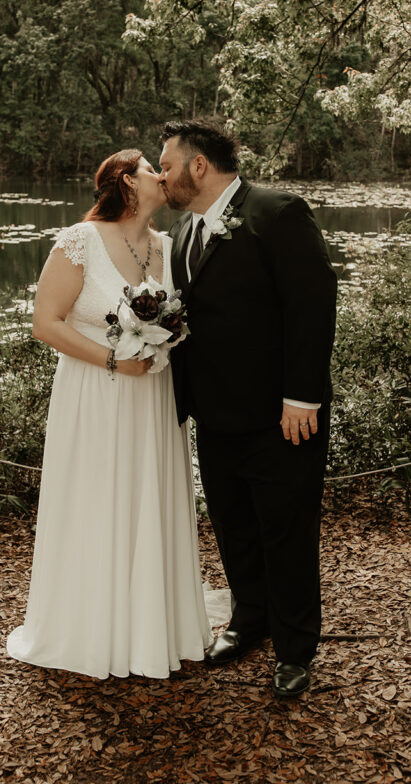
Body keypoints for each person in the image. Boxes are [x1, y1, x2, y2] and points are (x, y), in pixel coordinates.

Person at [7, 149, 212, 680]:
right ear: (126, 181)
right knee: (98, 499)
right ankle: (93, 627)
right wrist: (113, 359)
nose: (162, 176)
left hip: (154, 397)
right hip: (95, 393)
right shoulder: (79, 241)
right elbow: (45, 324)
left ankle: (152, 627)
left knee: (150, 499)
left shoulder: (170, 246)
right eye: (152, 169)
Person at [159, 122, 337, 699]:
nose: (162, 175)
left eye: (167, 164)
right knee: (234, 526)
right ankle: (248, 621)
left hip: (282, 416)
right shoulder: (186, 230)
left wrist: (301, 396)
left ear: (199, 166)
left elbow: (312, 304)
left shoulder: (277, 212)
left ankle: (294, 649)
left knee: (285, 531)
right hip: (215, 414)